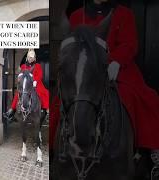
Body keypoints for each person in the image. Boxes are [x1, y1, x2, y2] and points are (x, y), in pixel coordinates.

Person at [51, 0, 159, 167]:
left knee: (143, 97)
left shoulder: (124, 14)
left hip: (117, 68)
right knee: (60, 100)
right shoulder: (76, 16)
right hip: (85, 70)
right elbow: (71, 48)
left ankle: (147, 149)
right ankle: (53, 148)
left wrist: (116, 61)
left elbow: (130, 44)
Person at [4, 49, 49, 122]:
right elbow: (21, 74)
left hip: (35, 83)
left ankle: (47, 111)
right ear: (27, 58)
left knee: (45, 92)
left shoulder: (37, 66)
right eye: (29, 57)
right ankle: (12, 110)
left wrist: (34, 80)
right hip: (26, 83)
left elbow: (40, 75)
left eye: (32, 58)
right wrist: (19, 77)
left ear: (34, 58)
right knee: (18, 93)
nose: (30, 59)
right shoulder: (23, 66)